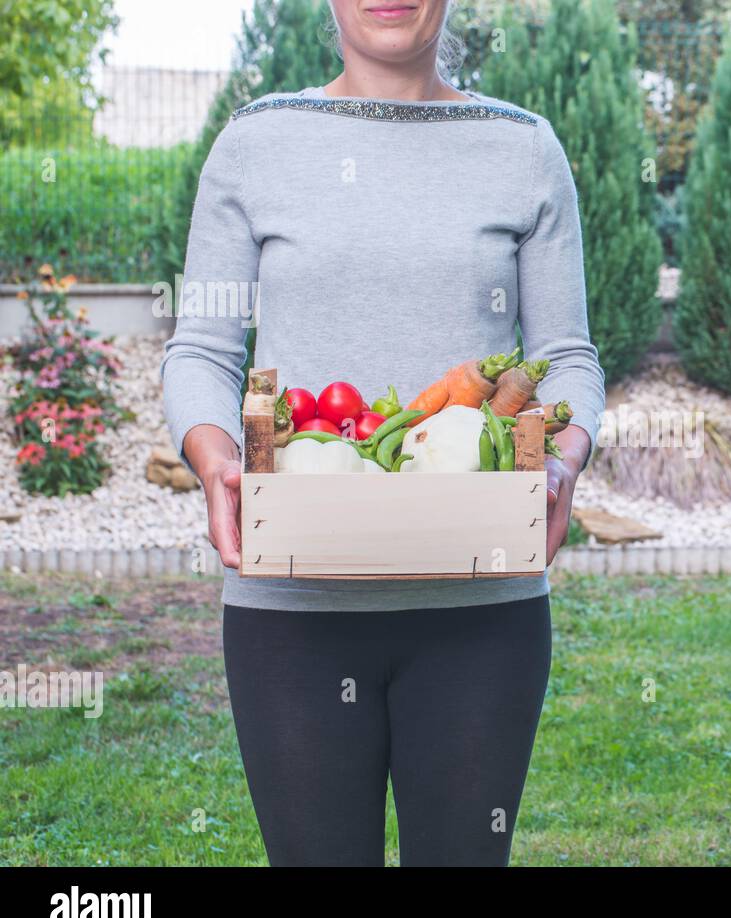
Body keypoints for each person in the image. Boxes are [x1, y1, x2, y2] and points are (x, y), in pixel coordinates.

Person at [161, 0, 604, 866]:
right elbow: (202, 350)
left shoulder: (523, 149)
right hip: (291, 612)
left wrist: (561, 463)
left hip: (482, 613)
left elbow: (567, 356)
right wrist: (216, 460)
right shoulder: (257, 142)